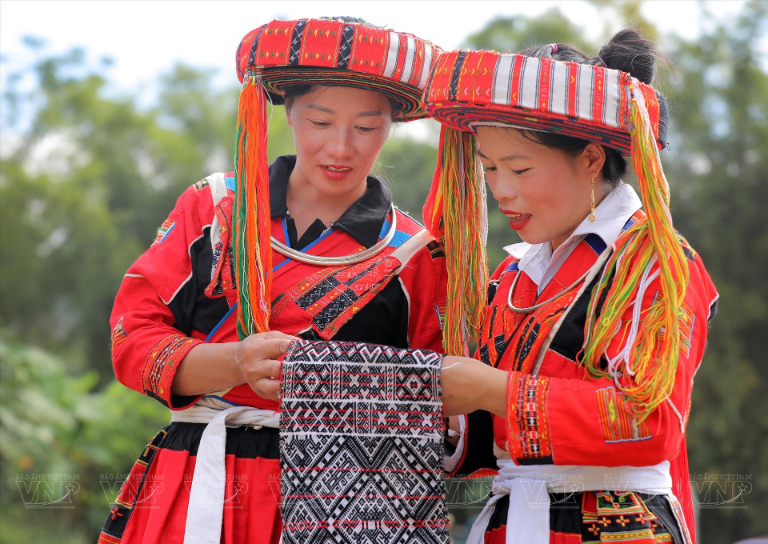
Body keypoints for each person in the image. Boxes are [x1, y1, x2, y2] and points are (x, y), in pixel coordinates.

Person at [99, 17, 447, 544]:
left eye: (367, 127)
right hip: (199, 478)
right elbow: (131, 339)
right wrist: (234, 361)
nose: (341, 147)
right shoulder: (215, 208)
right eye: (320, 121)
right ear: (287, 112)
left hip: (349, 497)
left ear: (394, 124)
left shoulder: (414, 251)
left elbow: (438, 397)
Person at [424, 31, 718, 543]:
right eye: (489, 168)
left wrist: (495, 390)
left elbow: (649, 422)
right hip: (510, 519)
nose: (501, 190)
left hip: (615, 526)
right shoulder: (511, 276)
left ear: (590, 159)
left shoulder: (657, 263)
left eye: (519, 168)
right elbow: (485, 439)